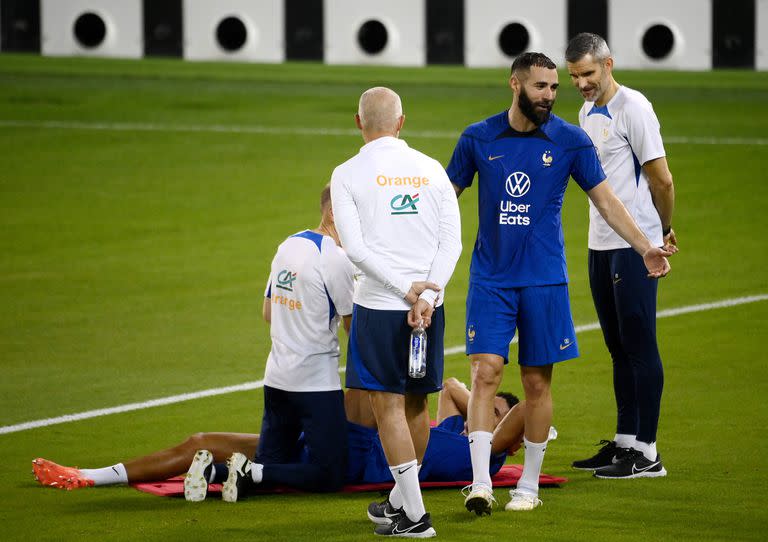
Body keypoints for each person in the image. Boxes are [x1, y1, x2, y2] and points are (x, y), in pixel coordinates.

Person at [445, 52, 671, 514]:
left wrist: (645, 245)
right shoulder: (478, 137)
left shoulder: (570, 141)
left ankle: (528, 486)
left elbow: (607, 202)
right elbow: (447, 200)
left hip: (544, 281)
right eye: (540, 86)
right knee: (484, 372)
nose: (550, 95)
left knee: (534, 383)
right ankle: (482, 484)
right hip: (491, 279)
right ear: (515, 84)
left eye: (554, 87)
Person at [331, 87, 462, 538]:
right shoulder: (431, 170)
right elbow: (453, 243)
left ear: (358, 122)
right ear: (402, 122)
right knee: (417, 407)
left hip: (380, 307)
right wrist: (427, 296)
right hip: (428, 310)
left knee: (387, 408)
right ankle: (398, 503)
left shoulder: (347, 174)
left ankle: (416, 516)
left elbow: (357, 250)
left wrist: (404, 291)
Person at [31, 382, 525, 492]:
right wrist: (480, 400)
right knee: (199, 438)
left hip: (358, 456)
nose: (485, 419)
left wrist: (500, 408)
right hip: (338, 440)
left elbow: (522, 411)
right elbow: (459, 391)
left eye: (493, 418)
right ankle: (90, 476)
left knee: (370, 380)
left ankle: (243, 475)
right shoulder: (451, 429)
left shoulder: (489, 460)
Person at [565, 33, 677, 479]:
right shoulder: (586, 111)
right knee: (617, 346)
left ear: (608, 64)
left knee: (639, 344)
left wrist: (662, 231)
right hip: (600, 243)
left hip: (635, 247)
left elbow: (662, 180)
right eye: (574, 76)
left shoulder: (634, 109)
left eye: (588, 74)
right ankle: (626, 443)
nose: (581, 83)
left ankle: (648, 453)